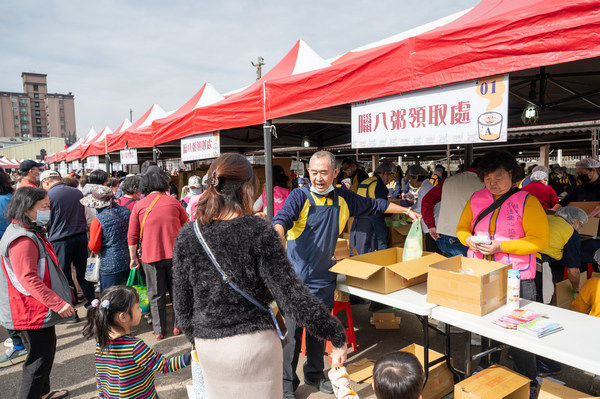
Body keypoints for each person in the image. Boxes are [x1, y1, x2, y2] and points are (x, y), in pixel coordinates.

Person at [172, 153, 347, 399]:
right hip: (254, 346)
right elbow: (291, 296)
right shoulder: (258, 231)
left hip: (208, 346)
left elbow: (182, 304)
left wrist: (199, 338)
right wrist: (337, 335)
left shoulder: (189, 234)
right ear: (247, 189)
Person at [272, 151, 419, 398]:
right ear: (308, 173)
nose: (318, 178)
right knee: (292, 337)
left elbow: (376, 204)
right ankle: (287, 384)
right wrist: (276, 234)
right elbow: (282, 219)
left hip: (323, 277)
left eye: (324, 172)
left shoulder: (343, 197)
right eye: (314, 172)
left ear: (335, 173)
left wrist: (405, 211)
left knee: (320, 330)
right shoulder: (300, 196)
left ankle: (315, 373)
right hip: (295, 279)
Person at [457, 150, 549, 385]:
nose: (492, 183)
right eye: (488, 178)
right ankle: (488, 364)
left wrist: (501, 246)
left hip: (517, 276)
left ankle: (529, 378)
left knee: (520, 332)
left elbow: (540, 240)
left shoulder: (527, 201)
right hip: (482, 273)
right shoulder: (476, 198)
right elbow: (462, 229)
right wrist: (468, 240)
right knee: (487, 325)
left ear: (512, 174)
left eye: (498, 177)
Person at [0, 187, 74, 399]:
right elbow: (28, 278)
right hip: (29, 311)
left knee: (43, 356)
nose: (47, 211)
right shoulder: (22, 239)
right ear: (26, 209)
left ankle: (44, 393)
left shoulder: (25, 231)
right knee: (38, 361)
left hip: (32, 308)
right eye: (44, 207)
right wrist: (58, 303)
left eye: (48, 206)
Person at [83, 285, 190, 399]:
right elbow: (164, 365)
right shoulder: (135, 347)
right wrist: (192, 356)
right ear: (123, 317)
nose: (141, 310)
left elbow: (100, 378)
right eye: (138, 307)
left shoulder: (101, 343)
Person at [128, 168, 188, 340]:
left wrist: (133, 258)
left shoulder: (139, 205)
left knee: (155, 293)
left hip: (150, 256)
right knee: (176, 291)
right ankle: (178, 326)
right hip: (175, 255)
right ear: (164, 183)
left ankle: (159, 330)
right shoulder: (174, 203)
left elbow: (132, 235)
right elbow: (187, 227)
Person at [40, 170, 95, 314]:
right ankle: (92, 302)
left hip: (59, 240)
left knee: (63, 275)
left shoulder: (46, 196)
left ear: (46, 182)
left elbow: (41, 220)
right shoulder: (76, 192)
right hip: (80, 236)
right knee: (83, 272)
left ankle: (72, 310)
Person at [422, 159, 484, 257]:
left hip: (445, 237)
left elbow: (426, 201)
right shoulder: (486, 184)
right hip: (471, 238)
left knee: (453, 268)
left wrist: (431, 225)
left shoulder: (448, 181)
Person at [0, 170, 26, 369]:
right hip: (20, 251)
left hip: (5, 255)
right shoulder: (14, 197)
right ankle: (23, 338)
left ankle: (19, 343)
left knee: (6, 300)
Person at [84, 186, 131, 291]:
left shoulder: (98, 220)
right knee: (128, 295)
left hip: (109, 264)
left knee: (110, 297)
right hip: (128, 259)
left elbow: (94, 246)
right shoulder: (126, 211)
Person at [536, 206, 587, 302]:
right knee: (545, 301)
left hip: (518, 257)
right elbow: (573, 270)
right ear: (576, 221)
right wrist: (577, 288)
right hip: (539, 263)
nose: (580, 229)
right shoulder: (571, 233)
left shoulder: (546, 217)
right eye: (581, 225)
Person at [349, 160, 395, 254]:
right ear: (385, 174)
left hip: (358, 220)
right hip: (373, 221)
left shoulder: (366, 181)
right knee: (380, 247)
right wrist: (392, 212)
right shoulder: (379, 185)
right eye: (391, 177)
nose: (390, 180)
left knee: (361, 249)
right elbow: (383, 207)